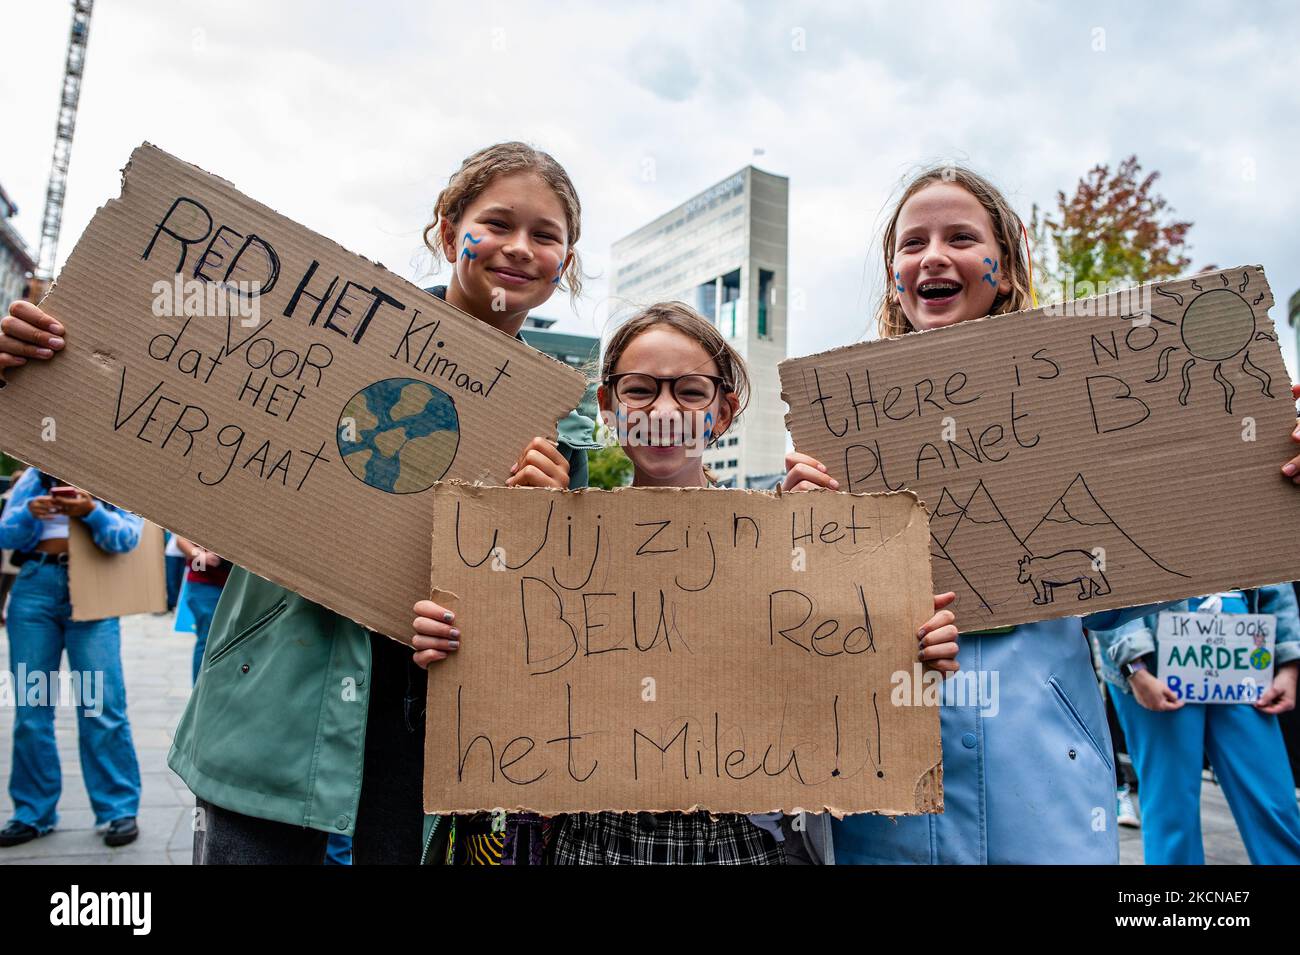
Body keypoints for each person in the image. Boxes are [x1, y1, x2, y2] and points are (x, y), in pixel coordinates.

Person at [0, 142, 599, 864]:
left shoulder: (560, 431)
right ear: (448, 231)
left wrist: (538, 526)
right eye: (496, 222)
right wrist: (38, 370)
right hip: (276, 693)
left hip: (429, 727)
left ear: (564, 262)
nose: (518, 248)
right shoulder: (331, 341)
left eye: (545, 235)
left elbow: (545, 612)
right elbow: (146, 400)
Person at [779, 165, 1241, 864]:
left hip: (1043, 783)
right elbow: (799, 622)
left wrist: (1259, 467)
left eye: (961, 237)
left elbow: (1153, 574)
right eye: (912, 244)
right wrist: (793, 540)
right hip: (885, 805)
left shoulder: (1082, 408)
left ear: (1007, 264)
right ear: (893, 275)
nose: (933, 255)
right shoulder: (839, 426)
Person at [413, 302, 962, 864]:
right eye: (641, 389)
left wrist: (915, 641)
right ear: (608, 406)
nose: (665, 410)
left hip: (745, 847)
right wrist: (453, 636)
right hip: (591, 845)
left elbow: (856, 661)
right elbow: (505, 677)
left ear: (723, 412)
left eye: (691, 392)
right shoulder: (552, 544)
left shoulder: (791, 537)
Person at [1092, 586, 1300, 864]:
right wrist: (1132, 665)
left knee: (1274, 802)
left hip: (1242, 640)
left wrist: (1290, 662)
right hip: (1152, 644)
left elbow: (1274, 563)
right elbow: (1113, 569)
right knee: (1171, 809)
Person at [0, 469, 144, 848]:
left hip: (92, 588)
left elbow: (129, 538)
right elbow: (6, 534)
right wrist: (30, 511)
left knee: (101, 706)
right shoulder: (33, 476)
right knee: (32, 709)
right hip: (35, 588)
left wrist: (90, 511)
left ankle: (118, 810)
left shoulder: (106, 467)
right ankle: (32, 813)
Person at [171, 537, 229, 685]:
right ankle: (200, 691)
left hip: (229, 586)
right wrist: (200, 555)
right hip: (205, 585)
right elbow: (180, 539)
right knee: (208, 640)